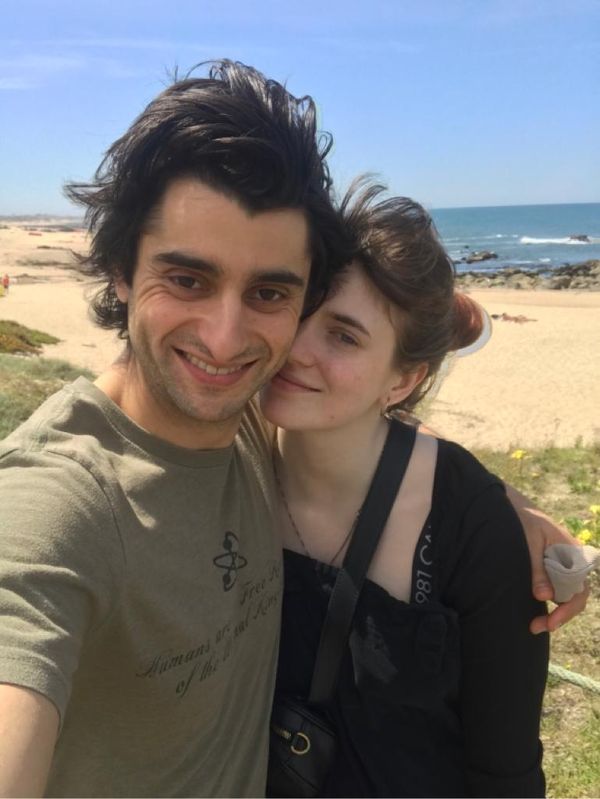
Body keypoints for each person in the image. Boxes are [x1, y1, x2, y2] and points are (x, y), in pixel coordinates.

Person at [0, 59, 347, 797]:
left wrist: (493, 511)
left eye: (268, 293)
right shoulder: (62, 502)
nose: (225, 340)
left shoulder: (253, 415)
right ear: (121, 271)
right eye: (188, 280)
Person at [261, 182, 550, 797]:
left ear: (402, 382)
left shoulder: (470, 527)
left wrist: (509, 503)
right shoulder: (226, 458)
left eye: (343, 335)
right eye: (298, 307)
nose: (296, 350)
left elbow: (505, 774)